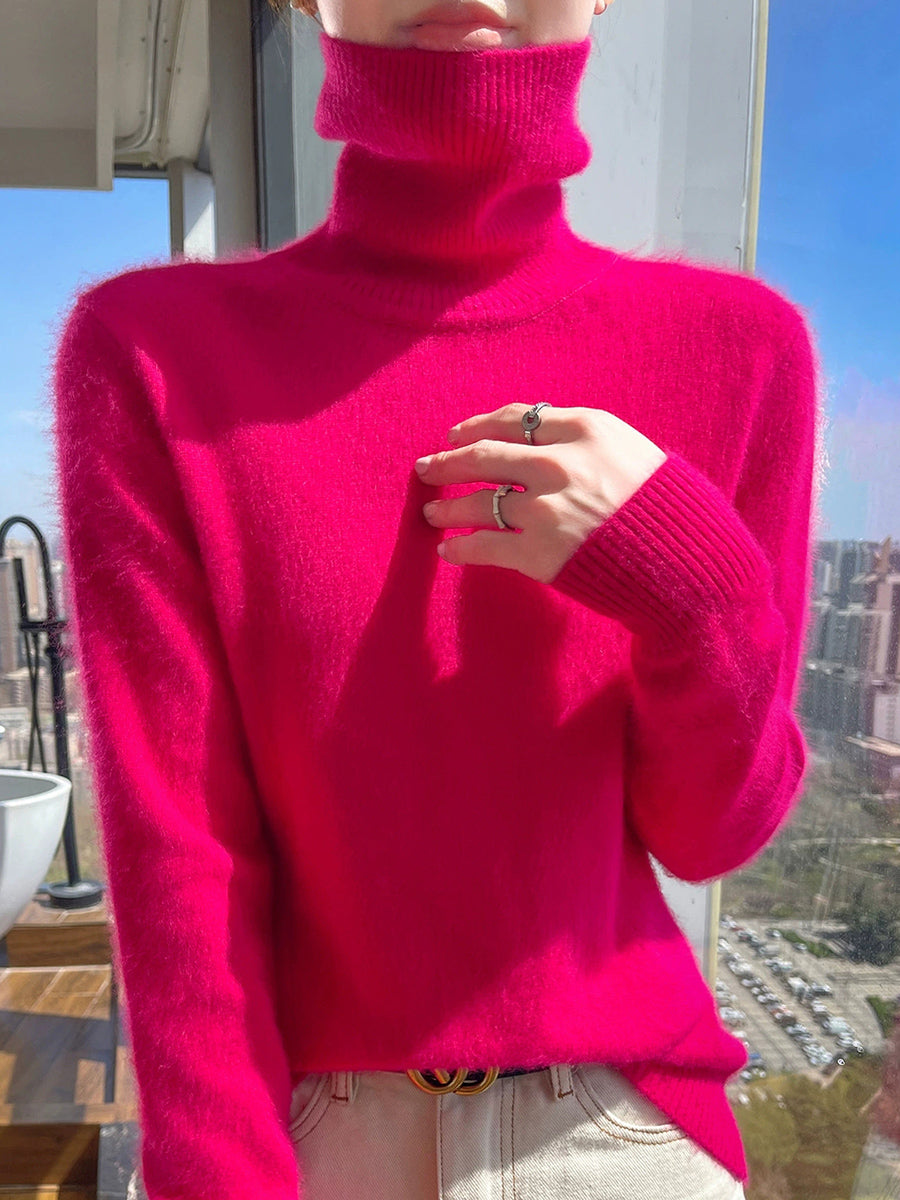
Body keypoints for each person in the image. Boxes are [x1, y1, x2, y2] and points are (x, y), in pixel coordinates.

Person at [50, 0, 821, 1196]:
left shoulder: (743, 351)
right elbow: (178, 849)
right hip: (311, 1138)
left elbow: (712, 832)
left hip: (619, 1133)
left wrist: (695, 589)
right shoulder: (154, 356)